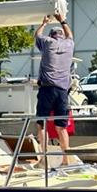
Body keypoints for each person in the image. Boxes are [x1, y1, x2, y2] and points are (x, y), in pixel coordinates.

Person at [35, 13, 74, 165]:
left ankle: (44, 160)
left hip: (47, 90)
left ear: (51, 35)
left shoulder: (47, 42)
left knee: (41, 124)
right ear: (62, 35)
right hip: (63, 92)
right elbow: (70, 34)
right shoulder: (69, 44)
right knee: (61, 127)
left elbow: (37, 35)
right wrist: (62, 20)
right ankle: (66, 160)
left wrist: (44, 23)